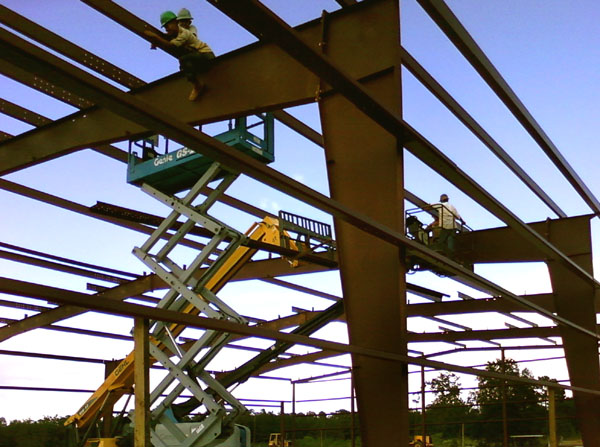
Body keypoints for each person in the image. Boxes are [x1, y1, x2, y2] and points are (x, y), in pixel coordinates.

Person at [144, 10, 215, 101]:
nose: (166, 28)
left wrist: (155, 37)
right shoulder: (175, 34)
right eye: (165, 27)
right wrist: (156, 42)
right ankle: (192, 76)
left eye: (168, 25)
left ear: (176, 22)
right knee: (184, 65)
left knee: (183, 60)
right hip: (198, 57)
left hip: (206, 55)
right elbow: (166, 37)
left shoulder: (184, 33)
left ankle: (197, 86)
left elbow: (171, 45)